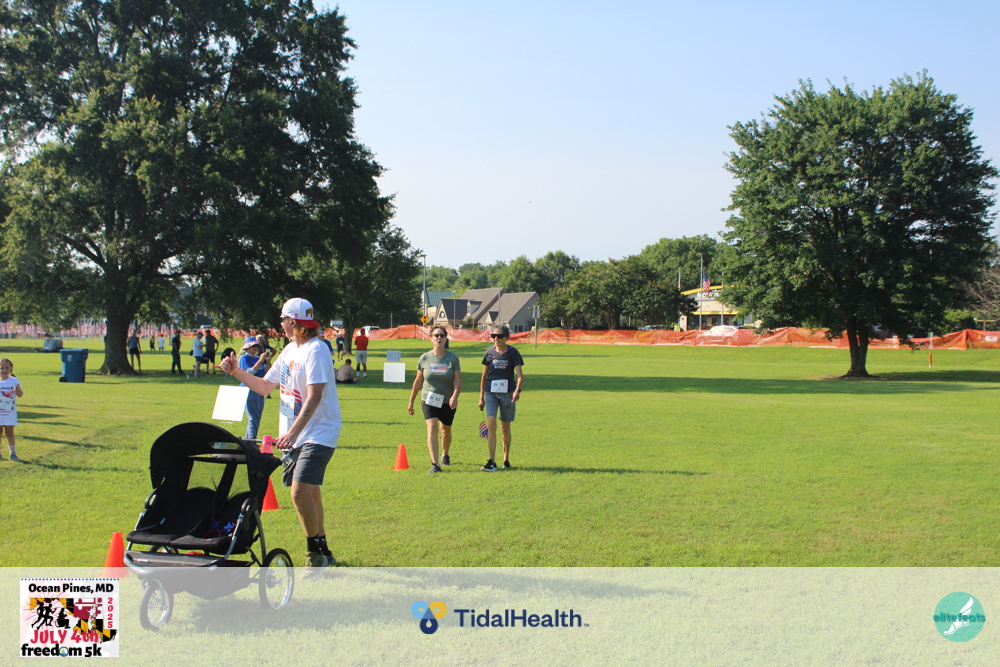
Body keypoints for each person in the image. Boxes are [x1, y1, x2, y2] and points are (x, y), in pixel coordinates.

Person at [219, 297, 340, 574]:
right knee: (311, 493)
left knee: (299, 493)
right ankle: (324, 550)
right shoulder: (288, 350)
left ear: (293, 322)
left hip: (318, 433)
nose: (281, 324)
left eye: (283, 320)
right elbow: (264, 386)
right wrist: (236, 371)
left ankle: (313, 555)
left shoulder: (316, 349)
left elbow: (315, 396)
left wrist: (293, 432)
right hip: (297, 435)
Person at [407, 326, 461, 473]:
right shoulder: (424, 358)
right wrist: (411, 401)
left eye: (442, 335)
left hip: (448, 400)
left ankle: (445, 453)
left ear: (446, 338)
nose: (439, 338)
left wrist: (455, 396)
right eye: (436, 335)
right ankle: (435, 464)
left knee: (446, 431)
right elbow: (418, 381)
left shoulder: (453, 358)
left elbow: (457, 381)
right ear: (431, 338)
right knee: (432, 428)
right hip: (429, 398)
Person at [478, 324, 524, 471]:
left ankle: (506, 459)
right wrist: (481, 397)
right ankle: (491, 461)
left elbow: (520, 375)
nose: (495, 338)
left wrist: (517, 390)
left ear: (506, 338)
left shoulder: (513, 353)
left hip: (508, 393)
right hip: (491, 393)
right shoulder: (489, 353)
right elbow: (484, 376)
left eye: (499, 336)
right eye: (493, 335)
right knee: (491, 424)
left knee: (505, 427)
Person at [238, 336, 269, 439]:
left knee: (257, 417)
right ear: (246, 348)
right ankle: (251, 441)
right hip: (249, 390)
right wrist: (260, 360)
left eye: (256, 346)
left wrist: (267, 362)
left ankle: (249, 440)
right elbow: (248, 373)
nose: (255, 348)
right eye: (252, 346)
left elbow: (266, 374)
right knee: (253, 417)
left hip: (259, 389)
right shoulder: (244, 358)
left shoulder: (257, 358)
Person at [0, 358, 24, 462]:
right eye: (1, 368)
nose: (4, 370)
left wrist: (17, 390)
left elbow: (20, 394)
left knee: (10, 433)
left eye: (7, 368)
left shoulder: (13, 381)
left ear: (11, 368)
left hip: (9, 413)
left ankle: (13, 453)